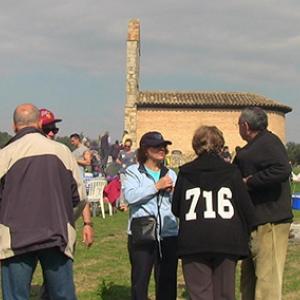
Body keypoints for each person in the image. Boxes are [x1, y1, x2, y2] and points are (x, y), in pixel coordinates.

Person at [0, 104, 90, 299]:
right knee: (62, 295)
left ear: (14, 126)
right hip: (56, 233)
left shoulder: (4, 155)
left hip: (16, 238)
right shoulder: (62, 152)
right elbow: (80, 197)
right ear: (40, 123)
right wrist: (67, 219)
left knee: (15, 296)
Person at [172, 125, 256, 300]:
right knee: (224, 294)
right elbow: (246, 208)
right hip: (226, 240)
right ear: (220, 146)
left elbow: (176, 208)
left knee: (199, 294)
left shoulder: (185, 173)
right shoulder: (232, 172)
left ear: (196, 146)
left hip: (194, 240)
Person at [234, 107, 293, 300]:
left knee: (268, 280)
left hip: (272, 221)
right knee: (249, 279)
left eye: (238, 124)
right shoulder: (252, 147)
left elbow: (282, 169)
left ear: (245, 126)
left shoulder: (269, 143)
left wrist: (250, 181)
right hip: (256, 220)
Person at [38, 108, 94, 300]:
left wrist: (87, 223)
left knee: (59, 279)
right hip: (31, 227)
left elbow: (80, 193)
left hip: (60, 226)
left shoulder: (64, 154)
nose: (52, 132)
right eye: (48, 129)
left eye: (55, 129)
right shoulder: (24, 153)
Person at [123, 131, 178, 300]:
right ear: (146, 150)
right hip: (142, 233)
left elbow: (177, 204)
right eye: (157, 146)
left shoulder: (171, 174)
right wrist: (156, 187)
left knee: (167, 281)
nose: (162, 149)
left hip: (168, 234)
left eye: (164, 146)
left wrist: (173, 193)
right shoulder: (133, 172)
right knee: (140, 282)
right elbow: (130, 197)